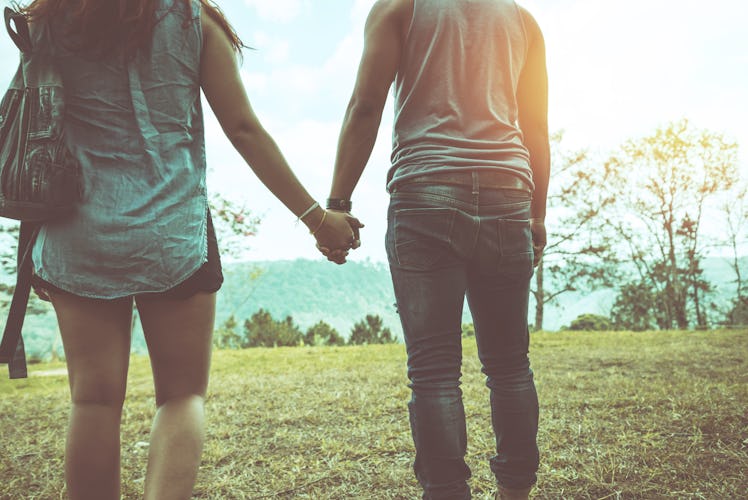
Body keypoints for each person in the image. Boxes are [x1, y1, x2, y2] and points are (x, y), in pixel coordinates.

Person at [17, 0, 361, 498]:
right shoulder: (190, 19)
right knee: (181, 397)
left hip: (78, 233)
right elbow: (243, 128)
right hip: (171, 234)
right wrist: (316, 217)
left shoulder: (44, 19)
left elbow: (34, 129)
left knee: (91, 401)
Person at [325, 0, 549, 498]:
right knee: (510, 363)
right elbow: (535, 129)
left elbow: (365, 105)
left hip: (424, 193)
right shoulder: (523, 22)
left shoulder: (399, 8)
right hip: (507, 192)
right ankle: (515, 490)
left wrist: (338, 203)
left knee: (433, 369)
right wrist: (537, 214)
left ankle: (447, 491)